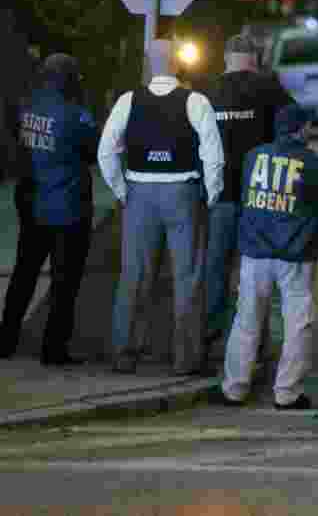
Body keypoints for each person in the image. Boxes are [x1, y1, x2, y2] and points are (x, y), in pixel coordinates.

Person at [98, 40, 225, 376]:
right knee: (188, 278)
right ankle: (186, 359)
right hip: (183, 193)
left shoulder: (128, 100)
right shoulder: (196, 102)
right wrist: (209, 195)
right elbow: (213, 155)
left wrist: (123, 190)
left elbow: (106, 151)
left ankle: (125, 354)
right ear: (178, 65)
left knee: (134, 276)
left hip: (140, 192)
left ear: (147, 64)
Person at [215, 105, 318, 409]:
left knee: (247, 318)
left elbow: (247, 198)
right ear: (301, 129)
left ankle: (235, 387)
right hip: (295, 255)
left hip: (255, 252)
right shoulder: (315, 166)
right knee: (298, 322)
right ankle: (287, 392)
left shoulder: (253, 157)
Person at [0, 54, 99, 364]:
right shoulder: (77, 115)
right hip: (68, 209)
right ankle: (53, 348)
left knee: (24, 273)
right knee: (64, 281)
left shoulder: (27, 107)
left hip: (31, 204)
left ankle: (6, 340)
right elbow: (92, 151)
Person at [203, 33, 295, 354]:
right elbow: (295, 128)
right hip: (260, 197)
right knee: (255, 274)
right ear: (254, 59)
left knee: (215, 268)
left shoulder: (207, 91)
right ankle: (254, 344)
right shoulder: (269, 89)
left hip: (220, 197)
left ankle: (210, 338)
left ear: (226, 58)